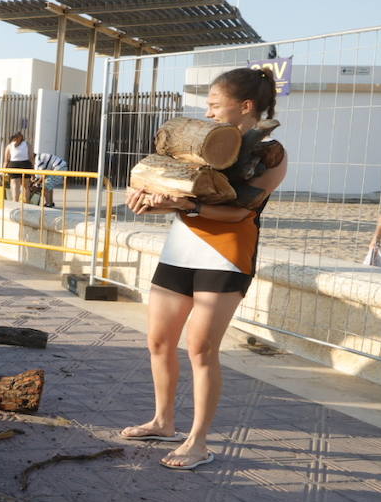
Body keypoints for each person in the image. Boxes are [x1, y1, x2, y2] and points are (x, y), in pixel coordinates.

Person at [121, 68, 288, 470]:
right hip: (180, 250)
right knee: (159, 342)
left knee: (200, 349)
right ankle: (163, 421)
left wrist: (183, 205)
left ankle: (198, 442)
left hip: (226, 255)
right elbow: (159, 178)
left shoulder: (270, 154)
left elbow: (237, 213)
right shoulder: (199, 143)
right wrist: (143, 194)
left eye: (215, 105)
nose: (209, 112)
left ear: (245, 107)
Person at [3, 131, 32, 203]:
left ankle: (15, 202)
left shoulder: (9, 146)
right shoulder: (27, 144)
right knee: (26, 186)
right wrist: (33, 170)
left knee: (15, 185)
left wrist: (3, 171)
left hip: (14, 165)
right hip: (25, 165)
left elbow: (6, 161)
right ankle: (27, 202)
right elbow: (31, 157)